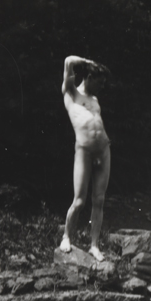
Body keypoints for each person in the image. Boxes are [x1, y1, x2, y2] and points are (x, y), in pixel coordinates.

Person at [59, 55, 112, 262]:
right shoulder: (71, 93)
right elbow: (68, 61)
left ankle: (94, 245)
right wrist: (88, 62)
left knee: (99, 200)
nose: (101, 87)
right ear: (89, 77)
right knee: (79, 201)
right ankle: (66, 237)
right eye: (99, 82)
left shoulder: (95, 100)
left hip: (103, 151)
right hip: (84, 151)